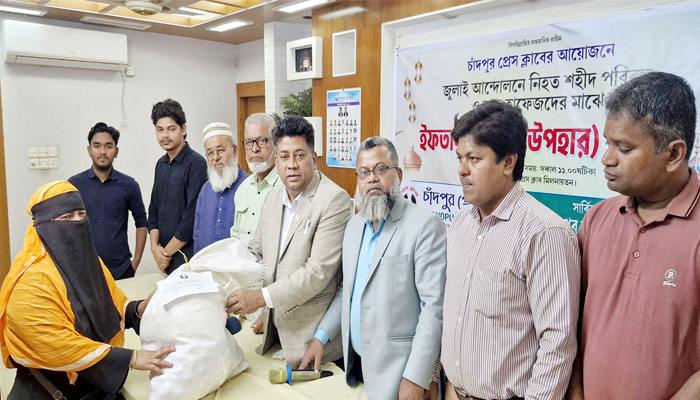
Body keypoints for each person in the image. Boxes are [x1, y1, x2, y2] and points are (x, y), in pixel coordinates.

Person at [567, 72, 700, 400]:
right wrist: (575, 391)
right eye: (608, 143)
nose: (607, 159)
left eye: (624, 148)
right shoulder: (596, 219)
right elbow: (570, 325)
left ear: (673, 154)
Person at [441, 100, 580, 400]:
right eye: (460, 158)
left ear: (508, 162)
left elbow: (557, 342)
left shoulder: (544, 233)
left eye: (474, 159)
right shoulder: (461, 222)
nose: (462, 170)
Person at [300, 137, 446, 399]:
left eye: (381, 169)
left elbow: (434, 308)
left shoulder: (424, 226)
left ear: (398, 175)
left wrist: (416, 376)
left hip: (400, 377)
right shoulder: (354, 226)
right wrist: (321, 337)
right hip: (357, 369)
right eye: (364, 172)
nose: (372, 179)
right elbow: (347, 291)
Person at [0, 181, 175, 400]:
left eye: (81, 214)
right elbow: (58, 345)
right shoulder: (31, 281)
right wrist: (130, 358)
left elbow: (112, 304)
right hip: (47, 392)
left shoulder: (90, 261)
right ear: (43, 224)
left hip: (92, 387)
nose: (77, 222)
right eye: (66, 217)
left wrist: (139, 308)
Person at [225, 116, 352, 368]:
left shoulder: (334, 200)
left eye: (299, 155)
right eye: (284, 157)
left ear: (314, 158)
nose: (291, 165)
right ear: (276, 161)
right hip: (275, 335)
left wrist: (261, 298)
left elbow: (317, 273)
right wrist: (222, 281)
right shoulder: (273, 197)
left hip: (314, 345)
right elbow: (255, 252)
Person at [69, 122, 148, 280]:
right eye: (97, 146)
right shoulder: (74, 184)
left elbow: (142, 222)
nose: (102, 151)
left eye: (108, 146)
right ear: (89, 150)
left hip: (121, 269)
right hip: (84, 268)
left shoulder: (129, 185)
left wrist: (136, 261)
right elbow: (64, 224)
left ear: (116, 151)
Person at [230, 113, 280, 334]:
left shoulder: (285, 188)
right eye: (249, 142)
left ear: (275, 143)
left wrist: (271, 311)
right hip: (242, 302)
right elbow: (235, 245)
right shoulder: (243, 189)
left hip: (270, 305)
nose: (255, 149)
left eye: (262, 141)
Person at [148, 99, 207, 274]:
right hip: (165, 258)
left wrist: (164, 254)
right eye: (160, 130)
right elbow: (153, 209)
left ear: (183, 129)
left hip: (188, 258)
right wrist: (154, 248)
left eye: (171, 129)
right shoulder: (161, 164)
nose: (165, 135)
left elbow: (191, 219)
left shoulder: (196, 164)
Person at [193, 122, 248, 254]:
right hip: (206, 265)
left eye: (221, 150)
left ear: (234, 150)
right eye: (210, 153)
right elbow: (197, 235)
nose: (216, 158)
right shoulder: (205, 190)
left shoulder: (249, 186)